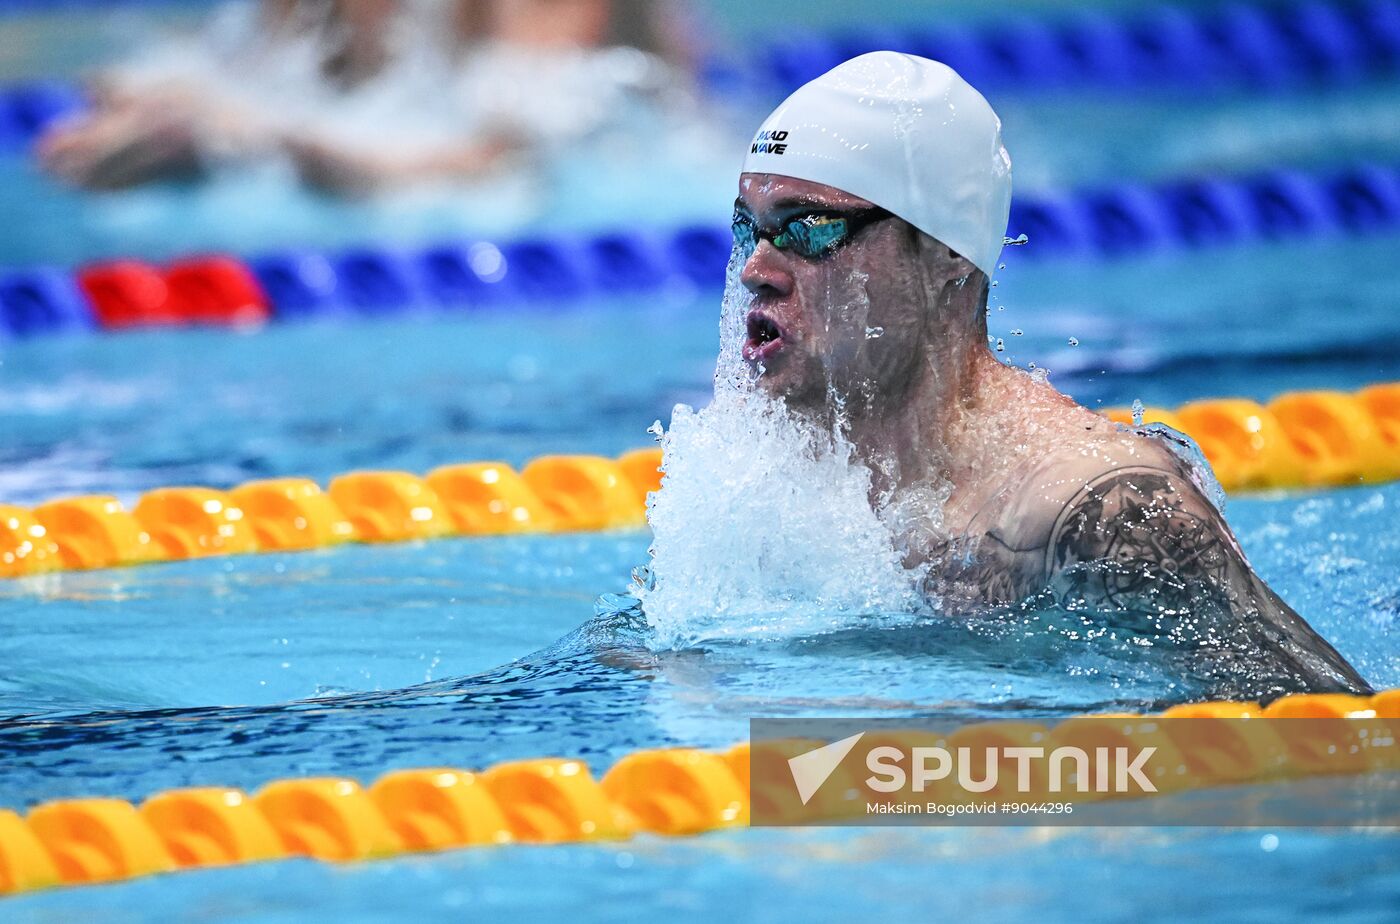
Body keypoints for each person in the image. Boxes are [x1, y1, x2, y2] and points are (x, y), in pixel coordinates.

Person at [730, 52, 1370, 697]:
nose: (757, 269)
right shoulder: (779, 469)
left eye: (808, 230)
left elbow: (1342, 736)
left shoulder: (1099, 510)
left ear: (946, 250)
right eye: (748, 229)